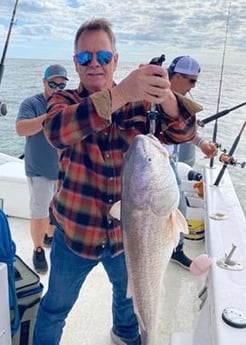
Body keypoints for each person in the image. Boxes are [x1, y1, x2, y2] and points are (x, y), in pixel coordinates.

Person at [33, 19, 201, 345]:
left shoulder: (141, 106)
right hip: (75, 236)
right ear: (75, 63)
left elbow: (185, 133)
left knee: (127, 304)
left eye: (102, 56)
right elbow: (56, 131)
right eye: (85, 58)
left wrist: (165, 96)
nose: (94, 64)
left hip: (126, 239)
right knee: (54, 308)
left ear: (115, 59)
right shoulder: (64, 100)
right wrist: (121, 92)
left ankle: (127, 337)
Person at [15, 64, 69, 274]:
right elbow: (21, 129)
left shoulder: (67, 102)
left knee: (56, 208)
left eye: (61, 84)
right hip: (38, 168)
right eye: (52, 83)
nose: (57, 88)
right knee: (39, 212)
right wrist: (48, 117)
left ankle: (49, 236)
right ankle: (38, 249)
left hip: (63, 168)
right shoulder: (32, 103)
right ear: (44, 82)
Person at [167, 56, 218, 269]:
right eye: (192, 81)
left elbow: (187, 133)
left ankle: (175, 250)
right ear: (177, 77)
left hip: (169, 162)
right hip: (151, 166)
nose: (194, 86)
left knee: (178, 208)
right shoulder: (152, 97)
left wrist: (202, 143)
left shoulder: (182, 104)